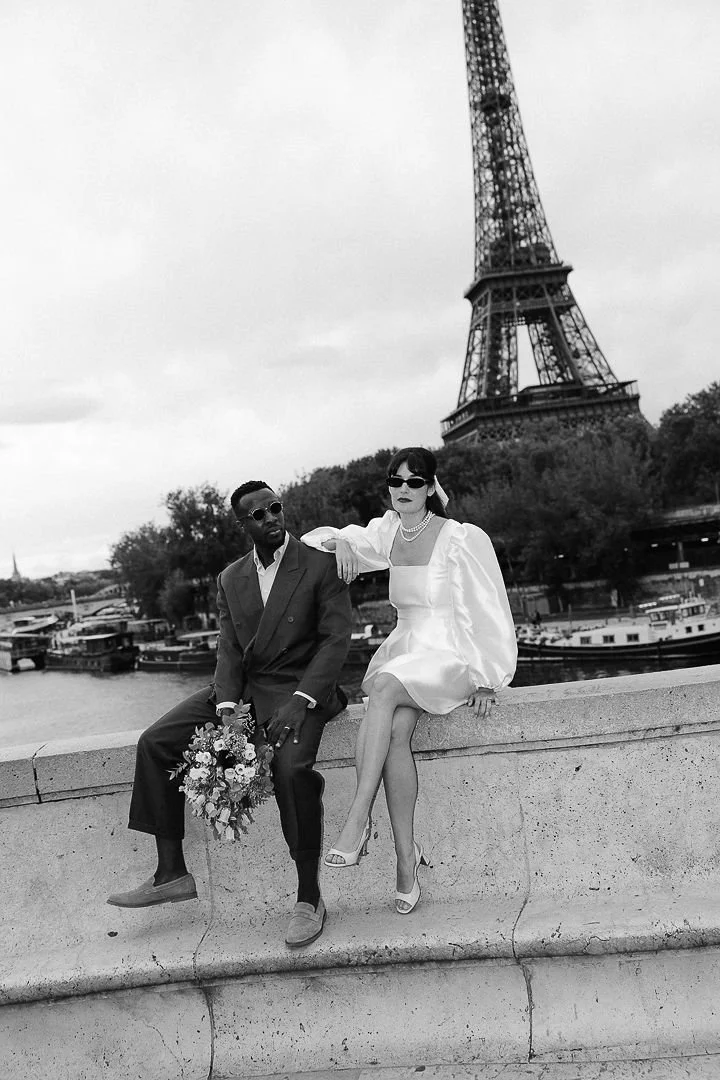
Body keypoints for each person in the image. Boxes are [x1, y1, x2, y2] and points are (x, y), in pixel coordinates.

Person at [108, 482, 353, 949]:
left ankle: (308, 897)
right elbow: (230, 648)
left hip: (299, 686)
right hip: (244, 686)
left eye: (275, 508)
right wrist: (224, 708)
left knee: (290, 769)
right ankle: (171, 871)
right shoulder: (230, 578)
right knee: (156, 741)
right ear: (244, 525)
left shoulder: (321, 564)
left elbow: (335, 641)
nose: (271, 518)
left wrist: (302, 700)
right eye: (258, 515)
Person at [301, 447, 517, 915]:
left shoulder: (459, 537)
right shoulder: (389, 532)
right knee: (395, 732)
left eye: (414, 482)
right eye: (395, 481)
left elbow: (486, 607)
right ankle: (405, 860)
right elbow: (317, 539)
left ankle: (357, 818)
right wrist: (341, 543)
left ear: (430, 487)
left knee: (380, 689)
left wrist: (485, 677)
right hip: (407, 650)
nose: (403, 489)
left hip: (449, 654)